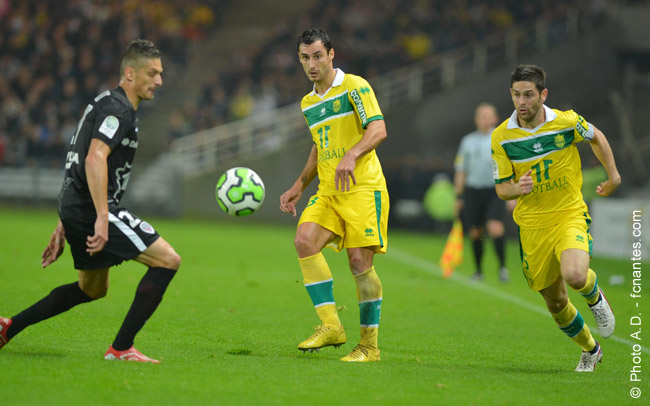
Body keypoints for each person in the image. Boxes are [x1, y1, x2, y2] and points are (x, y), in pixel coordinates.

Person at [0, 40, 180, 363]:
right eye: (152, 73)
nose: (159, 81)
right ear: (130, 73)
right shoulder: (119, 109)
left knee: (92, 289)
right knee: (168, 260)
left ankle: (8, 327)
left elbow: (78, 157)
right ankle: (121, 348)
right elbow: (94, 157)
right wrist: (101, 216)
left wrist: (63, 222)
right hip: (91, 208)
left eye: (160, 73)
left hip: (75, 206)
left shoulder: (105, 103)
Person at [491, 64, 619, 372]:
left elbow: (597, 137)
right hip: (532, 225)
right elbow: (502, 189)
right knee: (556, 302)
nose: (521, 102)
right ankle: (590, 349)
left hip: (568, 214)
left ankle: (595, 297)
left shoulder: (566, 122)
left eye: (528, 95)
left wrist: (613, 175)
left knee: (575, 275)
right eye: (516, 95)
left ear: (543, 94)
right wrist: (517, 188)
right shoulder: (501, 137)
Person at [280, 28, 389, 362]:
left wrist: (352, 154)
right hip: (329, 189)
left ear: (331, 54)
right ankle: (331, 326)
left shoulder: (354, 86)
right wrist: (299, 184)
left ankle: (369, 346)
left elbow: (378, 129)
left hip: (362, 186)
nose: (311, 64)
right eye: (305, 58)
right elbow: (319, 145)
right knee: (304, 240)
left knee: (359, 262)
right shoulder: (308, 102)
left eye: (317, 56)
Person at [454, 103, 510, 282]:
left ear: (495, 118)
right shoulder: (467, 141)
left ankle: (502, 268)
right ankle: (478, 270)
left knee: (495, 228)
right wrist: (458, 196)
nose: (484, 119)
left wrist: (512, 193)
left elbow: (511, 166)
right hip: (473, 191)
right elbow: (461, 170)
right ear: (476, 119)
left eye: (488, 116)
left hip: (495, 190)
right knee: (475, 232)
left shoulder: (501, 139)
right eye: (481, 116)